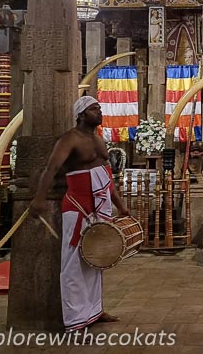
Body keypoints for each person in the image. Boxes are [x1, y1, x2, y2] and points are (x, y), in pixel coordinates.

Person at [30, 96, 129, 332]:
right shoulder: (69, 139)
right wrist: (39, 198)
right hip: (78, 205)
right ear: (82, 114)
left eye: (100, 108)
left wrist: (120, 205)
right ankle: (75, 321)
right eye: (95, 109)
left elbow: (106, 176)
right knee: (73, 264)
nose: (100, 112)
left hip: (100, 205)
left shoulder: (98, 140)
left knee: (97, 259)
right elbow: (52, 168)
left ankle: (94, 310)